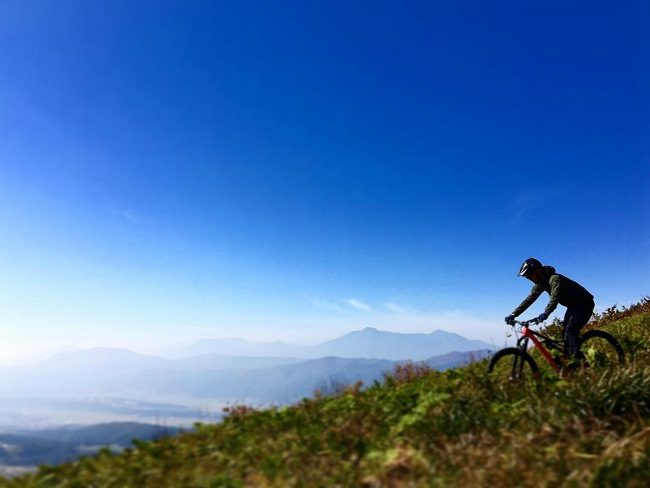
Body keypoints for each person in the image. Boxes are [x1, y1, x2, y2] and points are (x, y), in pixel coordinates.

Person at [505, 258, 595, 362]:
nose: (529, 278)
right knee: (565, 331)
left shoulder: (554, 279)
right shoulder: (540, 284)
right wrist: (513, 314)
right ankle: (569, 358)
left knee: (571, 331)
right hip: (573, 306)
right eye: (527, 277)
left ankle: (578, 362)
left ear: (538, 271)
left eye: (530, 275)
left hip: (584, 303)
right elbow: (529, 300)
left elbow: (554, 298)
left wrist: (546, 312)